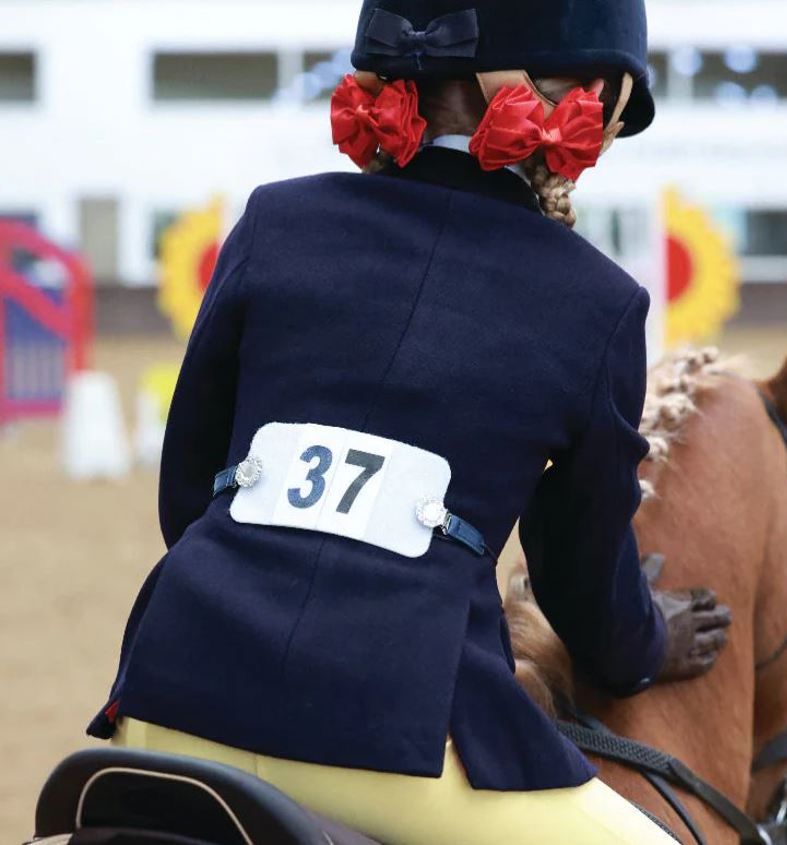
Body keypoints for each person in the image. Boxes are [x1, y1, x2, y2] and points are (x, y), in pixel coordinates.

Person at [89, 2, 731, 842]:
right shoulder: (598, 302)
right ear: (570, 94)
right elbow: (582, 586)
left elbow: (188, 498)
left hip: (168, 692)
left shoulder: (274, 221)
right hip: (391, 735)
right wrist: (646, 644)